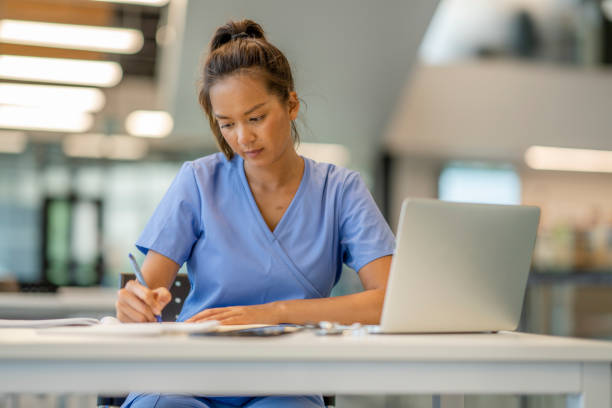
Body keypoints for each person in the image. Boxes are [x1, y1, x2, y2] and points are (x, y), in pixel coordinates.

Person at [117, 19, 395, 408]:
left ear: (291, 105)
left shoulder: (340, 190)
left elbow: (387, 302)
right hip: (188, 374)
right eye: (226, 124)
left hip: (286, 380)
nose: (243, 138)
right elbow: (146, 293)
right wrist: (134, 303)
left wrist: (273, 313)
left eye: (256, 118)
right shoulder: (199, 181)